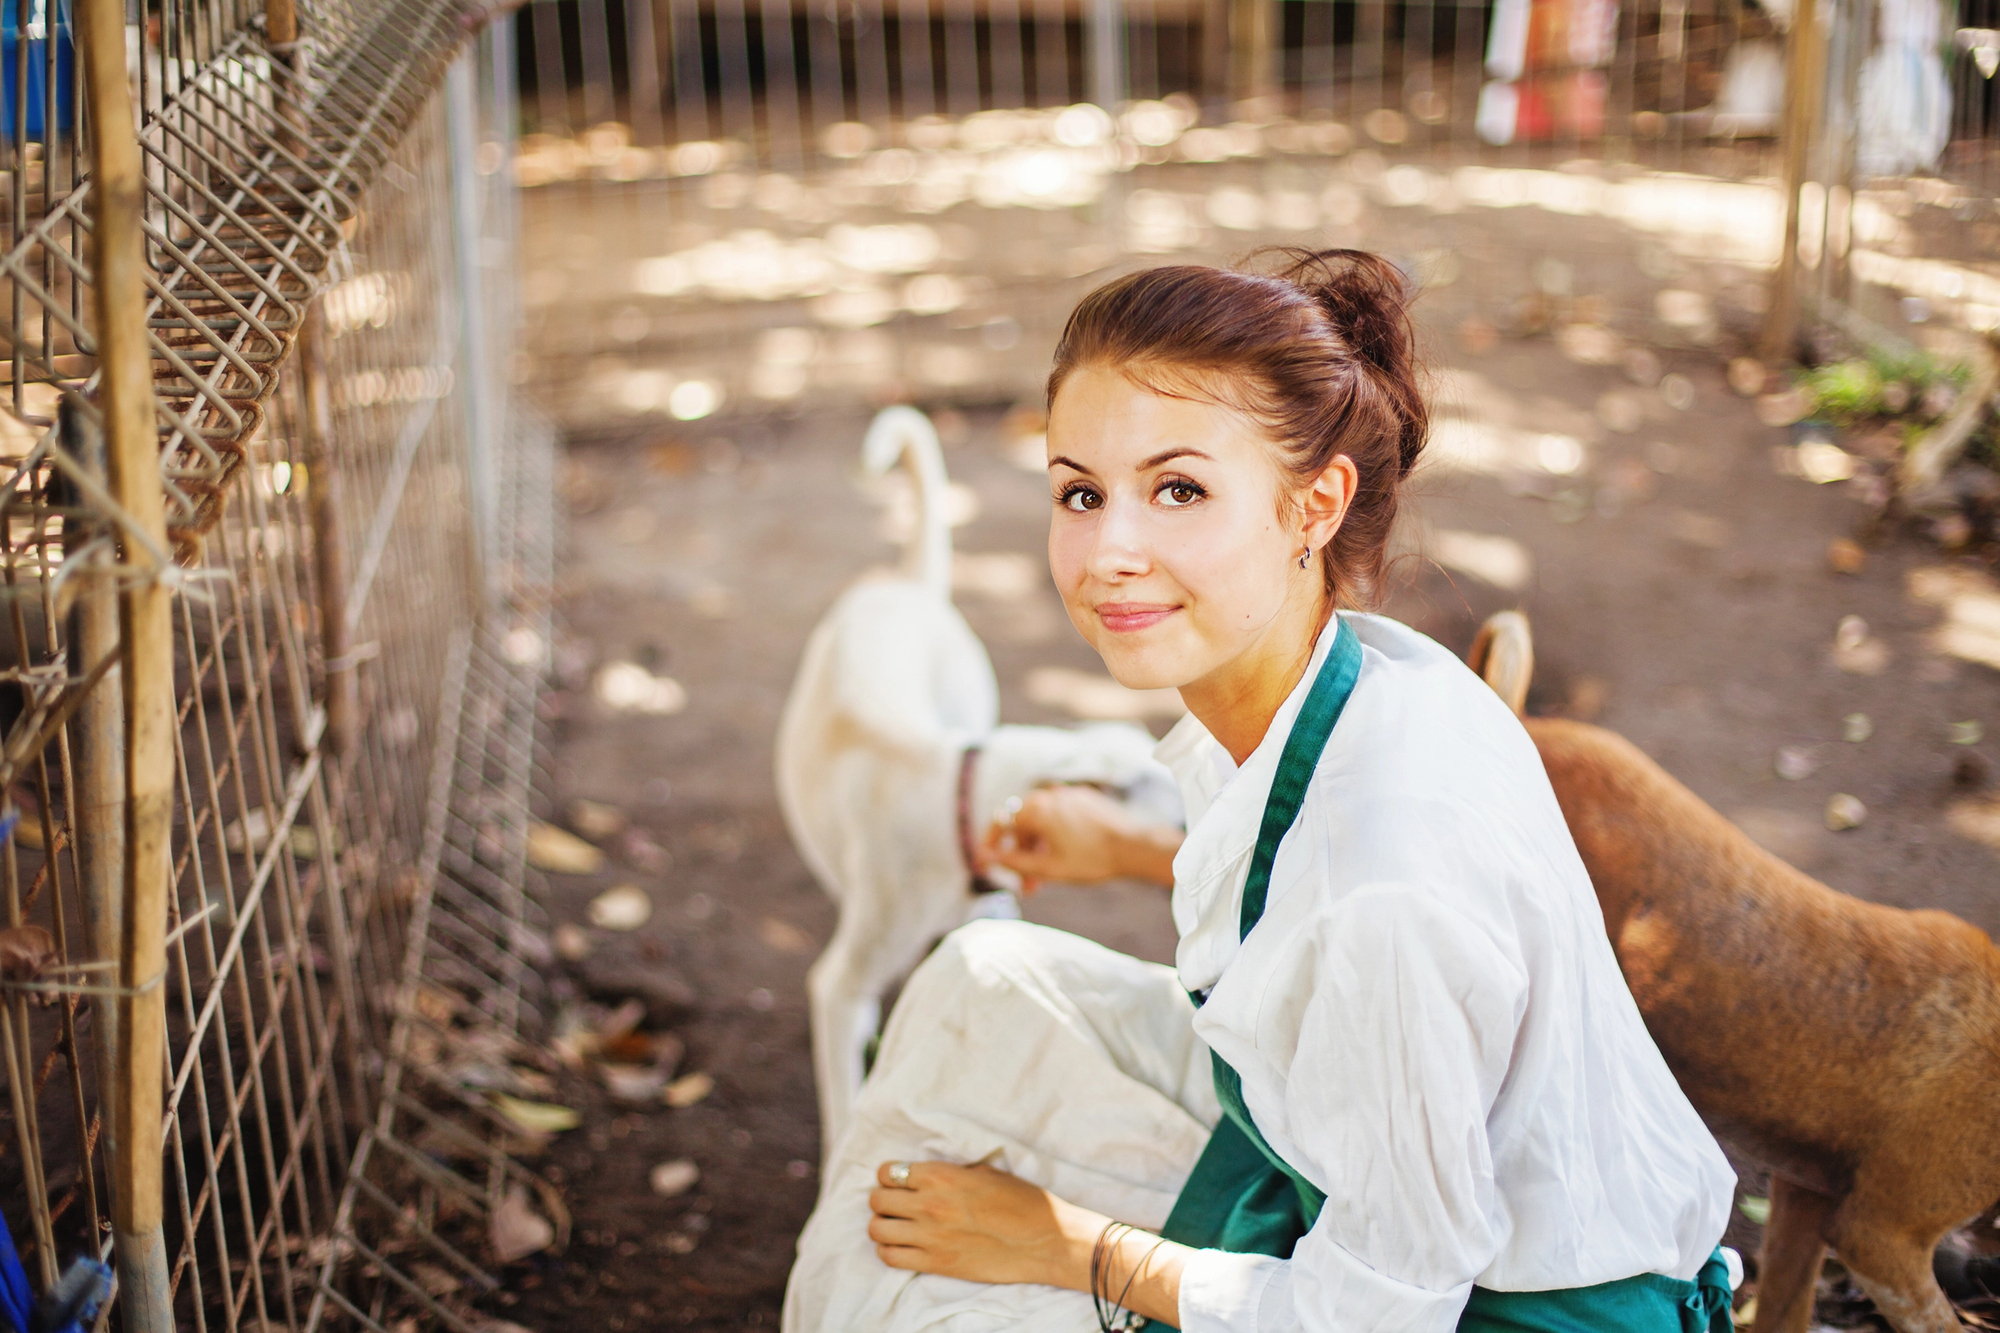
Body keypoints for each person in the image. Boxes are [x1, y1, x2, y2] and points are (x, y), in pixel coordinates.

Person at [782, 250, 1737, 1333]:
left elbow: (1382, 1310)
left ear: (1313, 505)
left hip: (1517, 1311)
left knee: (943, 1306)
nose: (1108, 552)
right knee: (982, 978)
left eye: (1177, 489)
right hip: (1388, 1201)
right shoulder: (1365, 674)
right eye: (1080, 493)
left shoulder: (1385, 882)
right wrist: (1125, 848)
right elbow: (1296, 905)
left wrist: (1069, 1247)